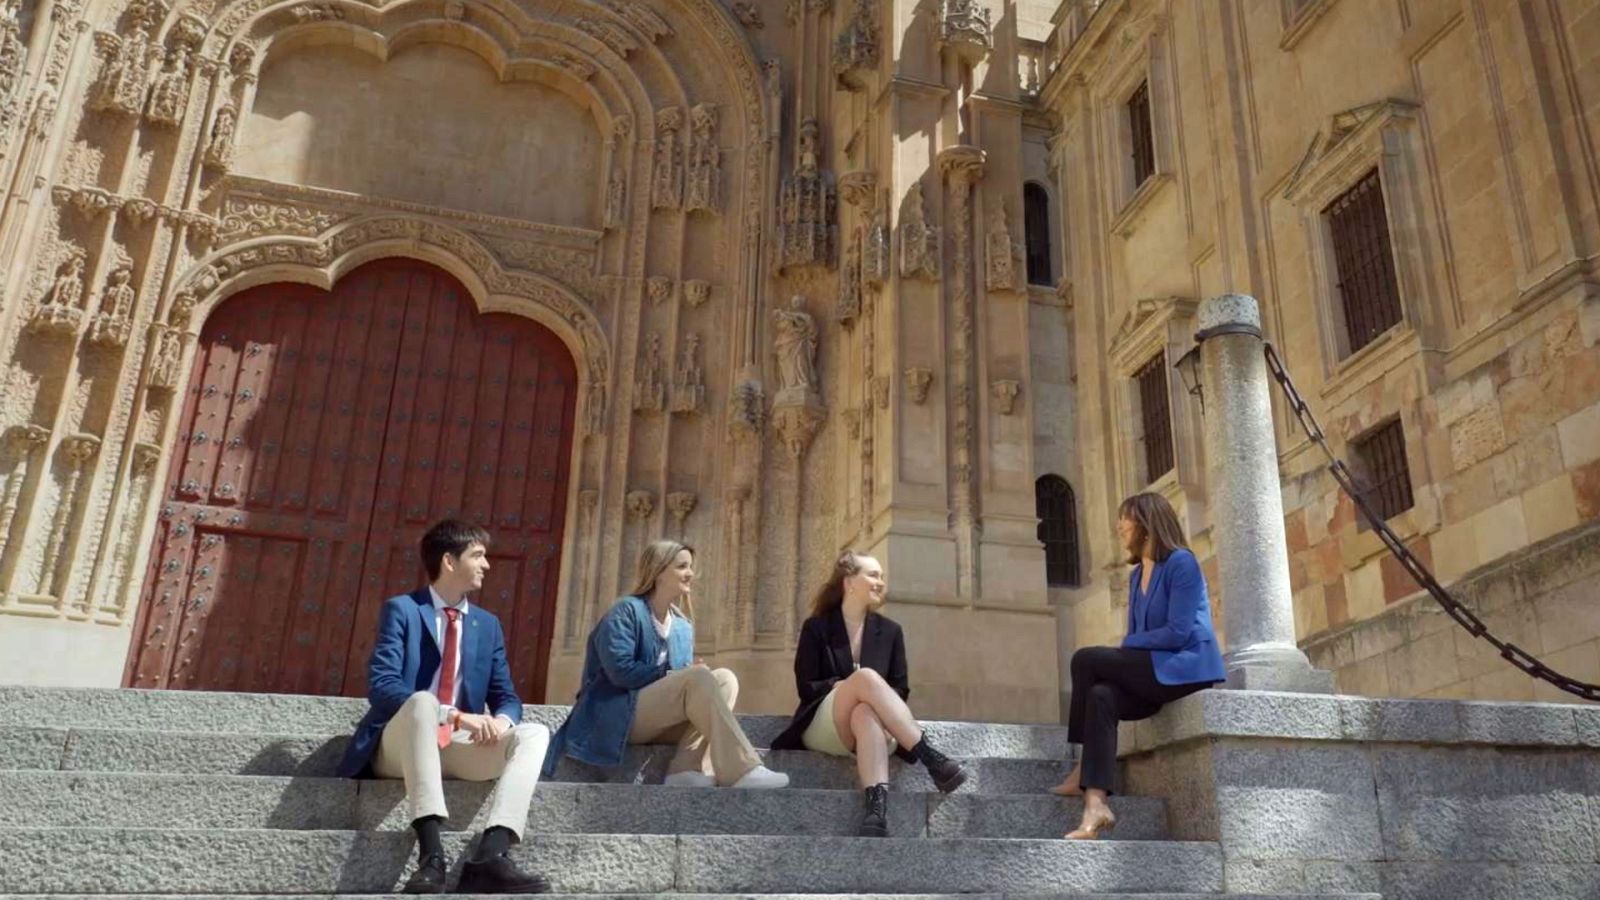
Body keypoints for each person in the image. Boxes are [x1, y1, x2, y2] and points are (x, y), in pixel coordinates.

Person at [335, 519, 551, 895]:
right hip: (401, 747)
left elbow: (507, 696)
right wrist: (452, 715)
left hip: (455, 747)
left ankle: (491, 856)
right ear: (449, 561)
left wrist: (500, 722)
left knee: (534, 732)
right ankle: (431, 854)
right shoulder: (402, 610)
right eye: (478, 556)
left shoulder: (488, 624)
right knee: (421, 701)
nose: (487, 565)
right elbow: (384, 686)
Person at [543, 540, 788, 789]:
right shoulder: (625, 611)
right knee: (698, 678)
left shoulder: (682, 625)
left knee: (725, 678)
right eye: (682, 566)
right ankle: (742, 769)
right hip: (616, 714)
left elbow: (684, 682)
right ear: (659, 572)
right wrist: (677, 673)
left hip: (659, 720)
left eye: (690, 567)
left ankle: (685, 769)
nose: (690, 573)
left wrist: (687, 674)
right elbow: (621, 673)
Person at [1050, 492, 1226, 840]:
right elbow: (1140, 636)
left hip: (1186, 669)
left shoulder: (1181, 563)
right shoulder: (1136, 576)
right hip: (1155, 670)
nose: (1119, 526)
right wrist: (1130, 646)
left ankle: (1083, 764)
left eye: (1125, 518)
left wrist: (1127, 645)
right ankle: (1096, 804)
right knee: (1101, 695)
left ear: (1146, 524)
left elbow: (1177, 633)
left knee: (1085, 658)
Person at [772, 551, 968, 837]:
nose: (880, 582)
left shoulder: (890, 631)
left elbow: (901, 688)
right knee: (864, 678)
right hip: (826, 725)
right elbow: (806, 686)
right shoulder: (817, 628)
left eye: (882, 577)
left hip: (878, 727)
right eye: (873, 575)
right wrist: (844, 687)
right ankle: (930, 757)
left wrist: (872, 698)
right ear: (849, 582)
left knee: (864, 712)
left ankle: (876, 812)